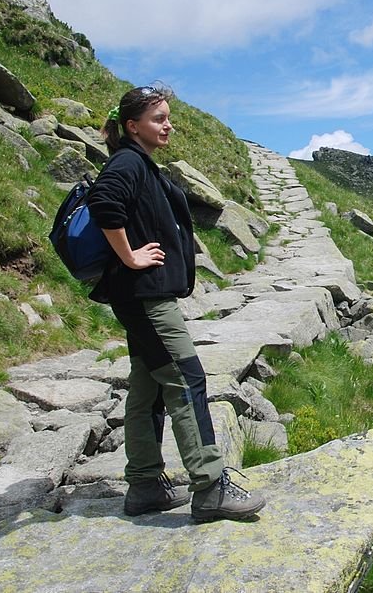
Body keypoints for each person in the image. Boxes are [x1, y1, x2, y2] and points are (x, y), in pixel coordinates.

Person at [87, 85, 266, 522]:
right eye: (157, 119)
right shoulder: (128, 163)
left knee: (149, 387)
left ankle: (145, 486)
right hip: (145, 296)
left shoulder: (139, 163)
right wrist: (130, 256)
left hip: (144, 295)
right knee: (187, 379)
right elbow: (103, 202)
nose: (167, 125)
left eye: (168, 117)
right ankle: (209, 488)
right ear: (133, 126)